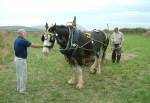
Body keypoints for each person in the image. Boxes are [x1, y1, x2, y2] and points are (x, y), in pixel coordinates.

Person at [14, 29, 43, 94]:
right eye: (24, 32)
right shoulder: (22, 40)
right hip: (21, 60)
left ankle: (19, 88)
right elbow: (33, 45)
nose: (25, 33)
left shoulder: (16, 39)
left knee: (18, 74)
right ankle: (22, 91)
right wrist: (43, 46)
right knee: (23, 75)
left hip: (17, 59)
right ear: (21, 33)